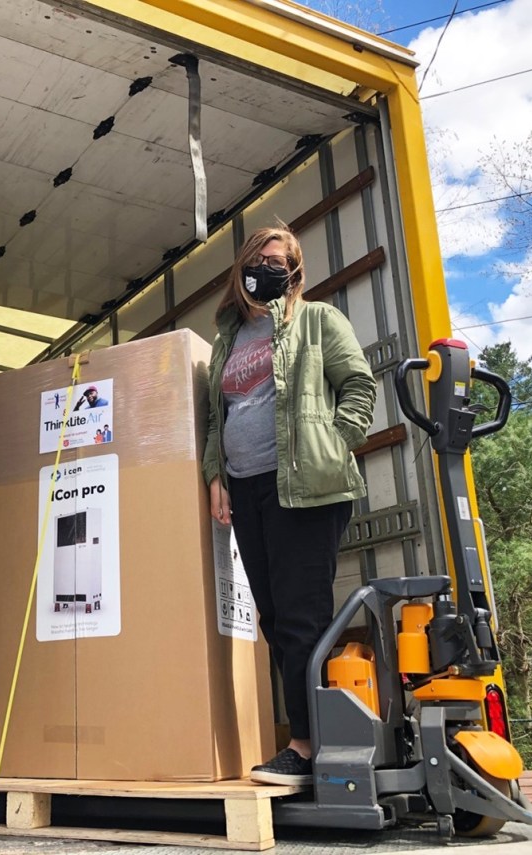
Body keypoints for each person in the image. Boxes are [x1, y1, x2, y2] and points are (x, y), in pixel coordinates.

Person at [202, 222, 376, 787]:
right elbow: (216, 419)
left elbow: (359, 385)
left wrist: (332, 443)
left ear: (294, 272)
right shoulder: (228, 339)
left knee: (302, 618)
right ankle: (305, 739)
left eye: (281, 261)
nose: (269, 267)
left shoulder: (318, 320)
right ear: (243, 267)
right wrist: (216, 475)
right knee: (274, 619)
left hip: (303, 486)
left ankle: (306, 747)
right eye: (260, 258)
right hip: (247, 488)